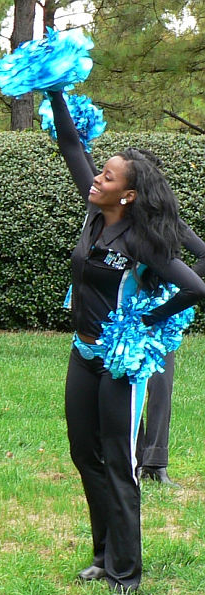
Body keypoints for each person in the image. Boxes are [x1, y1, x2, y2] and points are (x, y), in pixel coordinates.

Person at [50, 90, 205, 595]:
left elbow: (196, 285)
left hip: (119, 363)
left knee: (120, 461)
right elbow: (73, 146)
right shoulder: (94, 212)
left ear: (129, 195)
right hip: (83, 351)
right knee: (83, 453)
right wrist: (54, 89)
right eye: (101, 173)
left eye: (108, 176)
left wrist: (146, 322)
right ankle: (102, 554)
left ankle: (125, 572)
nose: (97, 178)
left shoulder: (141, 240)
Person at [79, 146, 205, 488]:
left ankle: (155, 462)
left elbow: (201, 259)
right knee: (127, 388)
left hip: (152, 318)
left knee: (158, 383)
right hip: (115, 314)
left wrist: (159, 297)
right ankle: (132, 459)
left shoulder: (163, 222)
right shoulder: (110, 220)